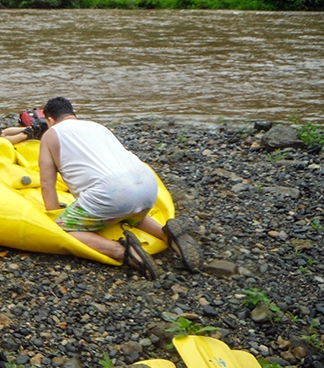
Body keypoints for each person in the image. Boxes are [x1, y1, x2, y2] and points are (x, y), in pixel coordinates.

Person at [38, 97, 202, 280]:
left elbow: (47, 183)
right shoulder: (97, 126)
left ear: (50, 120)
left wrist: (54, 217)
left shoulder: (51, 134)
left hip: (112, 191)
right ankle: (169, 236)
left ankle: (122, 251)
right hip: (146, 183)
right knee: (132, 214)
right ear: (72, 114)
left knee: (63, 229)